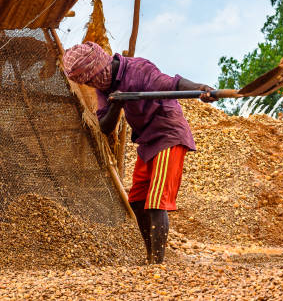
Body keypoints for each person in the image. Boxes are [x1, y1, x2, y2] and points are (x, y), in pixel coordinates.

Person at [62, 41, 217, 264]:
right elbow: (105, 127)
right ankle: (149, 257)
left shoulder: (139, 70)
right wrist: (116, 103)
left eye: (90, 79)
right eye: (86, 82)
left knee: (155, 201)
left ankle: (157, 263)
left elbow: (172, 84)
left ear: (100, 68)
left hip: (168, 133)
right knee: (137, 200)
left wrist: (201, 88)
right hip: (147, 141)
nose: (91, 84)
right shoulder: (104, 87)